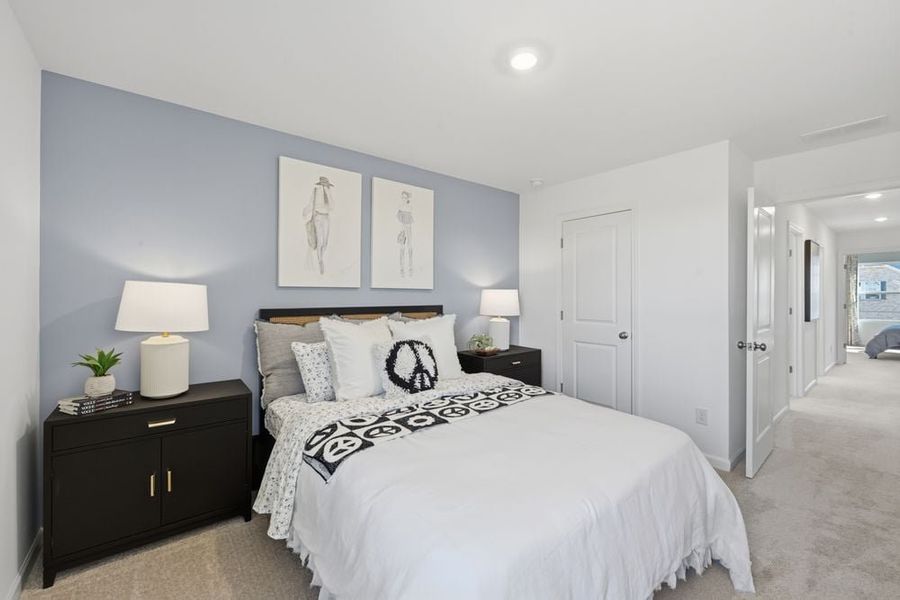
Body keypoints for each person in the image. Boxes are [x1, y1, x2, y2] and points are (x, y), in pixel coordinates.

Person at [303, 176, 333, 275]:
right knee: (320, 241)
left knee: (325, 242)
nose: (326, 186)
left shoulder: (328, 192)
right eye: (325, 185)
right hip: (318, 217)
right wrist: (305, 211)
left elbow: (332, 207)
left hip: (326, 217)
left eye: (327, 185)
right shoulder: (315, 191)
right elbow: (311, 203)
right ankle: (320, 261)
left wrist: (328, 193)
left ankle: (321, 257)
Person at [397, 190, 414, 277]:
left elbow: (410, 221)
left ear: (407, 198)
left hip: (408, 229)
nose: (403, 199)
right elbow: (399, 218)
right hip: (402, 229)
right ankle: (402, 268)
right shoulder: (400, 207)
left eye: (404, 197)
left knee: (410, 247)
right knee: (402, 248)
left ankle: (410, 268)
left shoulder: (409, 207)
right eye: (402, 197)